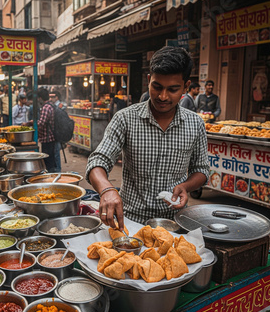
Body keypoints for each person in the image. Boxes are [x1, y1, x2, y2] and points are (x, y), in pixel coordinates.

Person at [86, 46, 209, 230]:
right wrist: (107, 189)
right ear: (149, 80)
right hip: (129, 222)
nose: (163, 96)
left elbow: (201, 170)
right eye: (157, 87)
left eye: (173, 89)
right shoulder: (125, 118)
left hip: (175, 221)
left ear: (186, 87)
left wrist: (186, 186)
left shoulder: (195, 124)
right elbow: (98, 160)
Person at [37, 88, 61, 173]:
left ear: (40, 98)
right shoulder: (50, 105)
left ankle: (50, 178)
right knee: (51, 159)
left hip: (47, 138)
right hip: (50, 138)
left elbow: (42, 123)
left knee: (48, 161)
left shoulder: (46, 107)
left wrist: (33, 124)